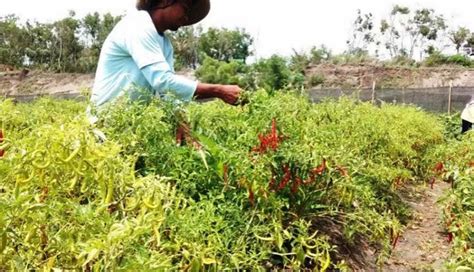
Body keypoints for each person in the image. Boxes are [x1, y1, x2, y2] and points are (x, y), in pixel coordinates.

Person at [90, 0, 242, 110]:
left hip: (130, 131)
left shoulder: (165, 44)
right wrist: (218, 91)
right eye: (185, 8)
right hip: (104, 127)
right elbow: (163, 81)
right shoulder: (138, 25)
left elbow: (167, 94)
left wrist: (181, 123)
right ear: (165, 1)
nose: (187, 18)